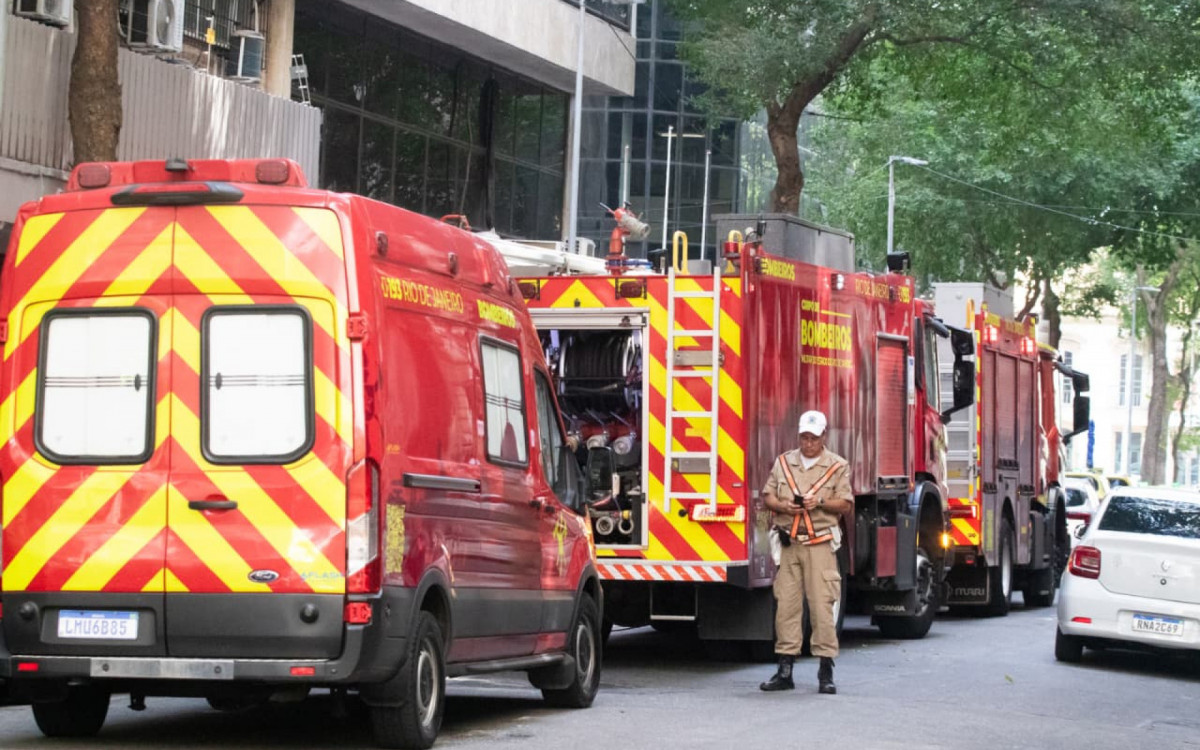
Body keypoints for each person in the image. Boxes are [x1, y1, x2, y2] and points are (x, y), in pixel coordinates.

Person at [759, 410, 852, 694]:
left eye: (813, 437)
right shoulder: (785, 462)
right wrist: (785, 507)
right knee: (786, 607)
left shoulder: (837, 466)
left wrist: (820, 501)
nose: (808, 443)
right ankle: (785, 669)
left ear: (824, 436)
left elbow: (845, 504)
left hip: (820, 545)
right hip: (790, 544)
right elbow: (768, 495)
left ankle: (826, 670)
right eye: (804, 437)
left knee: (822, 607)